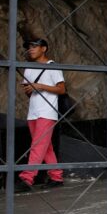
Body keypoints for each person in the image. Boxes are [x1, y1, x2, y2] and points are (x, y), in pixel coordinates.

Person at [17, 38, 66, 192]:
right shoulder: (28, 68)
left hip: (47, 112)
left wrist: (40, 86)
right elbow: (28, 92)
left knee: (38, 145)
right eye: (29, 47)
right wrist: (31, 89)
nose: (30, 49)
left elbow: (61, 89)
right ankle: (56, 176)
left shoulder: (53, 67)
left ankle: (27, 178)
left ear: (44, 49)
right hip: (33, 112)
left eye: (34, 46)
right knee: (46, 147)